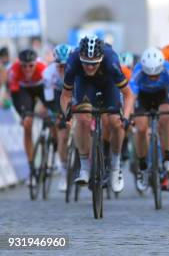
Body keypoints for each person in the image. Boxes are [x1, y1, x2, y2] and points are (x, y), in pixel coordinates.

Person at [60, 36, 134, 193]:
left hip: (109, 85)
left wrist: (126, 117)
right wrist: (66, 114)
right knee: (82, 118)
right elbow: (65, 96)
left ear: (101, 59)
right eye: (86, 63)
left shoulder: (111, 61)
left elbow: (129, 95)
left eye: (94, 64)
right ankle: (85, 167)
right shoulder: (73, 61)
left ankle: (115, 166)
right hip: (85, 85)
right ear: (80, 57)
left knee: (116, 122)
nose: (90, 67)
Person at [126, 47, 169, 192]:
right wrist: (127, 117)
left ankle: (168, 159)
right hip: (143, 97)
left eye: (156, 75)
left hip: (161, 95)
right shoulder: (138, 71)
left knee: (168, 118)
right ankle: (143, 167)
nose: (153, 78)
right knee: (140, 128)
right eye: (149, 75)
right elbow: (130, 97)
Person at [8, 49, 47, 185]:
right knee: (27, 125)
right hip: (24, 92)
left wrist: (46, 108)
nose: (27, 69)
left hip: (42, 87)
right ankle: (32, 170)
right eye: (24, 65)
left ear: (35, 63)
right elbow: (15, 96)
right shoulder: (14, 70)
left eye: (30, 65)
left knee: (54, 118)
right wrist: (24, 115)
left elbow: (51, 91)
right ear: (20, 64)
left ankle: (53, 142)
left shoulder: (43, 69)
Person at [43, 44, 72, 191]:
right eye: (59, 65)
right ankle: (64, 172)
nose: (62, 69)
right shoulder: (48, 74)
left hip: (73, 95)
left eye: (65, 65)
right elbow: (49, 101)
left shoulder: (76, 71)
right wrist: (58, 116)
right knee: (61, 134)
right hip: (56, 97)